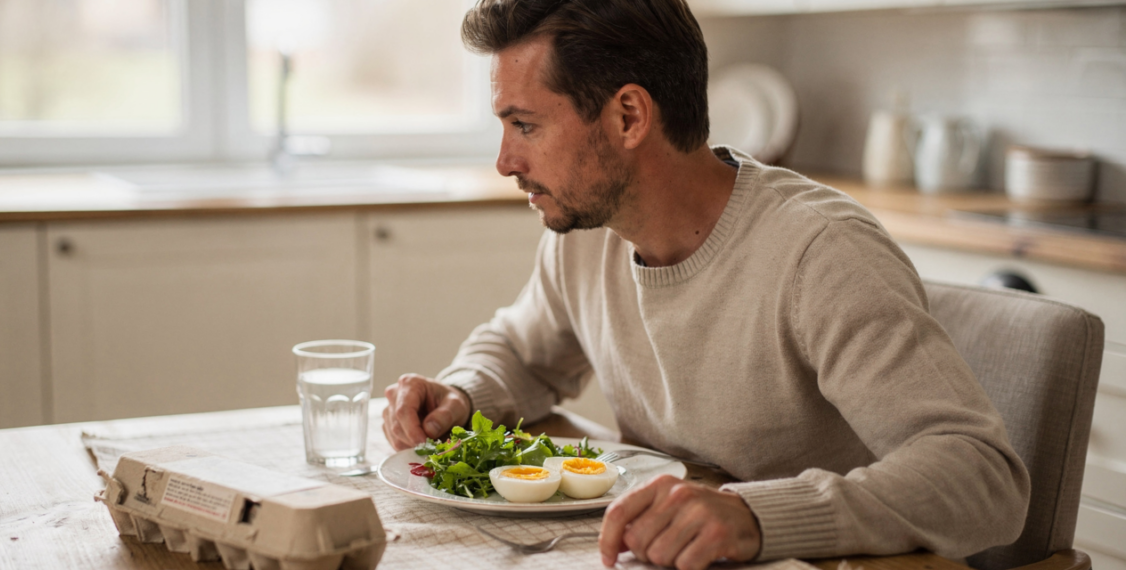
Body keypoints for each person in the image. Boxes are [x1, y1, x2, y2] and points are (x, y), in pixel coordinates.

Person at [382, 0, 1031, 568]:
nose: (504, 162)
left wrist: (755, 517)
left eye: (525, 125)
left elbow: (984, 478)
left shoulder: (821, 254)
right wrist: (461, 394)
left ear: (629, 117)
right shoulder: (587, 235)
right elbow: (521, 351)